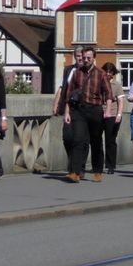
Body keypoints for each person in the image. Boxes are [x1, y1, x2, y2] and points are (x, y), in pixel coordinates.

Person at [64, 47, 112, 183]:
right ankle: (75, 172)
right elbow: (69, 95)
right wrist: (67, 112)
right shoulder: (77, 73)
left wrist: (108, 110)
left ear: (94, 58)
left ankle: (97, 171)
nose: (85, 60)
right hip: (79, 110)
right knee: (78, 139)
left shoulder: (101, 74)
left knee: (96, 141)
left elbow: (108, 94)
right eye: (84, 58)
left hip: (95, 110)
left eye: (88, 58)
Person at [52, 47, 84, 176]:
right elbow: (61, 88)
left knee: (81, 140)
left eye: (81, 56)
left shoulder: (88, 72)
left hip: (82, 109)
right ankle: (73, 163)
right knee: (67, 137)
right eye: (77, 56)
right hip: (68, 108)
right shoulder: (68, 70)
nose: (80, 58)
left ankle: (78, 168)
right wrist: (55, 104)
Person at [101, 62, 125, 174]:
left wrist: (119, 115)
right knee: (96, 140)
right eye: (106, 72)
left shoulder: (116, 85)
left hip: (113, 114)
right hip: (99, 113)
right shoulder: (99, 83)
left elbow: (121, 101)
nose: (108, 74)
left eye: (110, 72)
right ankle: (98, 164)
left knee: (110, 140)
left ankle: (111, 165)